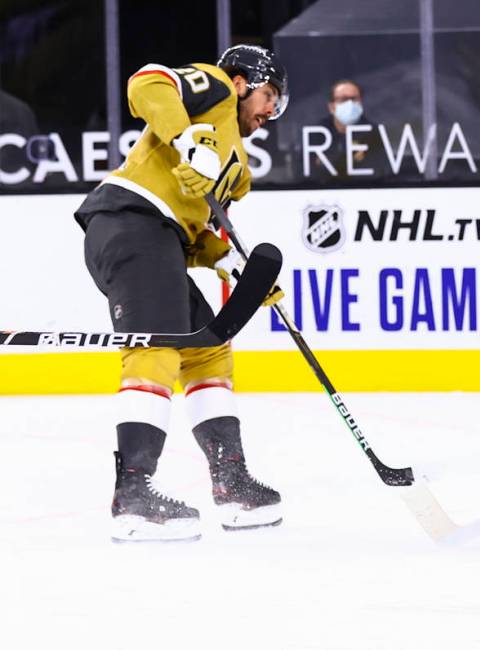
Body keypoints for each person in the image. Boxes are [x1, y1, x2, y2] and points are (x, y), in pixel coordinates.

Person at [73, 44, 289, 542]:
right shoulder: (213, 88)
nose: (269, 113)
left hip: (162, 240)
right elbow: (147, 81)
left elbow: (200, 237)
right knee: (157, 345)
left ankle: (232, 483)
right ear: (242, 82)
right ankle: (132, 496)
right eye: (269, 95)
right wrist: (188, 138)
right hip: (131, 221)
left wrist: (235, 265)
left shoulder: (238, 169)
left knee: (207, 349)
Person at [312, 78, 385, 180]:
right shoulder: (316, 133)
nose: (350, 104)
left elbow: (381, 169)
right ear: (331, 106)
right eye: (343, 99)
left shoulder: (372, 133)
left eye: (354, 99)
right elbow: (303, 171)